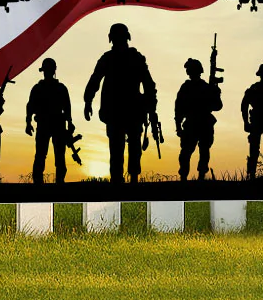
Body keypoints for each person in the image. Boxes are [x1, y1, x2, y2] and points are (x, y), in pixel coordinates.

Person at [83, 23, 157, 183]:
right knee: (123, 147)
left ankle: (127, 178)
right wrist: (88, 100)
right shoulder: (119, 58)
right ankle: (127, 179)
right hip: (123, 110)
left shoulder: (115, 58)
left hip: (124, 110)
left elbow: (148, 84)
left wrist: (88, 101)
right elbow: (95, 79)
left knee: (124, 147)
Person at [25, 58, 73, 185]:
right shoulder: (59, 88)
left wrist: (28, 122)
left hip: (48, 125)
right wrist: (28, 122)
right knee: (51, 155)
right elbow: (30, 106)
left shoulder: (39, 88)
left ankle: (47, 182)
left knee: (48, 155)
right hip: (52, 125)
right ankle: (53, 182)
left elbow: (67, 107)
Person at [174, 58, 222, 181]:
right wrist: (178, 126)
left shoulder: (207, 87)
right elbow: (178, 108)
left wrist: (216, 93)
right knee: (186, 152)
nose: (189, 72)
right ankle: (184, 176)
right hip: (192, 123)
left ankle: (200, 176)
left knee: (203, 151)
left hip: (204, 123)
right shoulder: (186, 87)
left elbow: (217, 106)